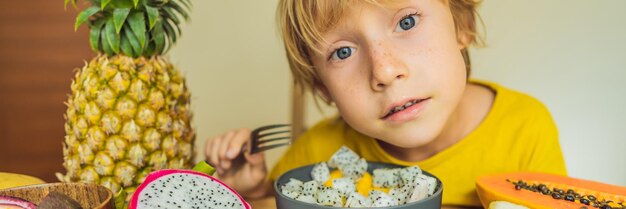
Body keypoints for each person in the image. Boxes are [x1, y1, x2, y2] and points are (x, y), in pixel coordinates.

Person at [205, 0, 567, 207]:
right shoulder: (319, 152)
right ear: (323, 89)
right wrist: (251, 191)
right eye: (342, 52)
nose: (385, 70)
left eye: (407, 22)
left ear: (463, 25)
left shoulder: (525, 128)